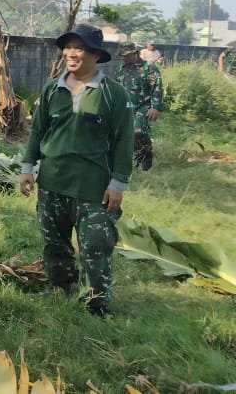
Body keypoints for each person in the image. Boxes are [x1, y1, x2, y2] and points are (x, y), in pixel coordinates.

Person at [19, 24, 134, 317]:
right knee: (54, 244)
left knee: (96, 247)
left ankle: (95, 304)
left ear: (95, 54)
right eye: (67, 47)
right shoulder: (50, 90)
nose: (70, 53)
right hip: (52, 182)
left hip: (93, 188)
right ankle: (61, 288)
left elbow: (124, 140)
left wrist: (118, 183)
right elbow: (37, 132)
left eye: (78, 48)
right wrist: (27, 167)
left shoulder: (113, 94)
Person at [115, 42, 164, 171]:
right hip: (124, 108)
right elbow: (115, 89)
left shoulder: (149, 68)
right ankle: (136, 154)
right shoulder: (121, 70)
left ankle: (146, 154)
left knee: (138, 131)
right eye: (122, 56)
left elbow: (157, 87)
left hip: (143, 106)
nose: (123, 58)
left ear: (135, 53)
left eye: (126, 55)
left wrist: (156, 107)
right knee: (121, 134)